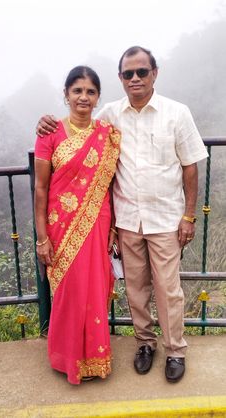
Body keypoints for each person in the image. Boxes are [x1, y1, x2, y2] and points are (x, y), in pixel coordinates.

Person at [36, 46, 208, 383]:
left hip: (164, 218)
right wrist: (45, 121)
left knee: (168, 289)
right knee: (136, 289)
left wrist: (189, 216)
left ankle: (175, 350)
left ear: (154, 73)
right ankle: (145, 343)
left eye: (141, 72)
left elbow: (191, 167)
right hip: (127, 220)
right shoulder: (111, 117)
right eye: (128, 74)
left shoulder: (177, 113)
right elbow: (74, 127)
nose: (135, 79)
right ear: (120, 79)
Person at [34, 65, 120, 385]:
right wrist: (42, 238)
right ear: (66, 94)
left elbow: (109, 184)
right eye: (77, 91)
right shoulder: (50, 133)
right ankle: (67, 357)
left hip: (97, 221)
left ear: (98, 98)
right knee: (70, 290)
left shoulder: (107, 134)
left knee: (93, 288)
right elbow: (41, 188)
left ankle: (94, 357)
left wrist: (113, 228)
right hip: (60, 223)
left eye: (91, 92)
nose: (83, 97)